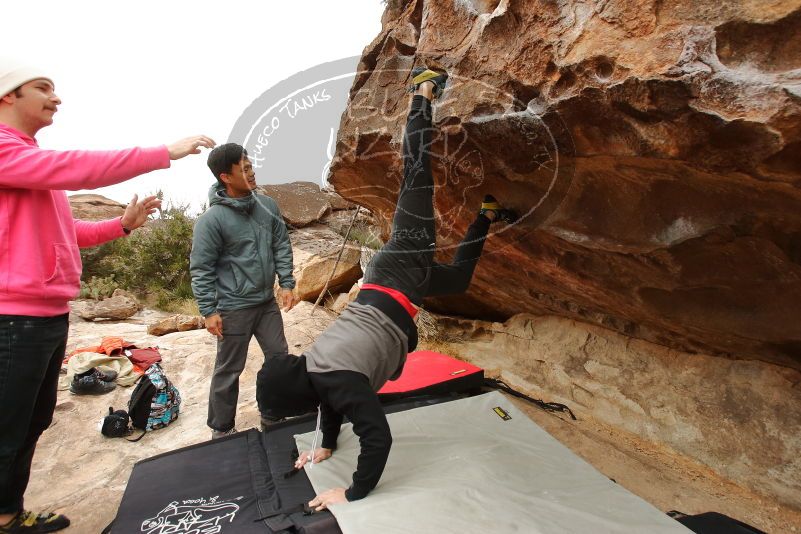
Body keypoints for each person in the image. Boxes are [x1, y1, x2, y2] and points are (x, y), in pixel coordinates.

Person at [257, 67, 517, 511]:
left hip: (398, 269)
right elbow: (331, 404)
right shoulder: (321, 374)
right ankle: (486, 216)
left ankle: (423, 90)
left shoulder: (336, 381)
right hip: (401, 287)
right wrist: (325, 447)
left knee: (417, 174)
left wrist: (352, 491)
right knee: (457, 280)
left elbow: (378, 436)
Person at [0, 56, 215, 533]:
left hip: (47, 316)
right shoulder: (5, 150)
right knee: (8, 428)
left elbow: (66, 232)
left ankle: (9, 511)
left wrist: (121, 225)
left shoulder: (26, 162)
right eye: (43, 87)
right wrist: (163, 151)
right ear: (8, 96)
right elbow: (79, 167)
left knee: (30, 423)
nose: (56, 97)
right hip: (14, 318)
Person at [190, 143, 298, 440]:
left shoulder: (268, 207)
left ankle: (273, 415)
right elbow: (202, 268)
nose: (251, 173)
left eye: (251, 166)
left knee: (279, 359)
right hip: (233, 307)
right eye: (245, 168)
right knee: (229, 370)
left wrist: (287, 282)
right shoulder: (211, 221)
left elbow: (281, 246)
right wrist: (209, 311)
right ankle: (222, 429)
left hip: (266, 304)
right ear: (226, 176)